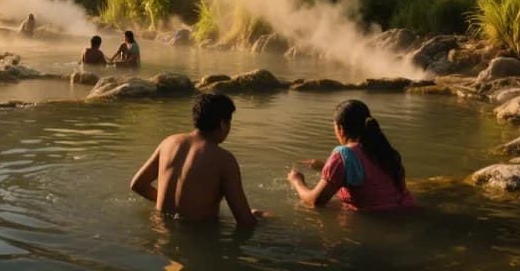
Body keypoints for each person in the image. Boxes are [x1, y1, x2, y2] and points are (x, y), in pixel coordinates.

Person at [130, 93, 262, 227]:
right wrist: (264, 219)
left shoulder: (168, 143)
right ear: (223, 124)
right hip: (199, 234)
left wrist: (166, 203)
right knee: (260, 216)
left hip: (161, 228)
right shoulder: (224, 160)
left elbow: (137, 184)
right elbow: (245, 222)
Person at [288, 99, 416, 211]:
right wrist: (324, 167)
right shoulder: (385, 150)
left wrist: (297, 181)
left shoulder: (343, 155)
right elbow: (369, 177)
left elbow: (315, 202)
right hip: (406, 211)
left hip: (377, 221)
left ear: (340, 128)